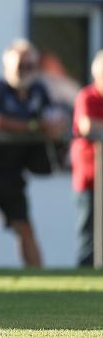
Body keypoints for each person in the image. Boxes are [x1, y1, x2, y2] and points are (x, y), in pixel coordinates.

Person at [0, 39, 67, 267]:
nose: (25, 71)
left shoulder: (39, 90)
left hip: (12, 170)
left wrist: (56, 126)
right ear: (7, 66)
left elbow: (55, 119)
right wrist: (35, 127)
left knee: (24, 227)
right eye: (20, 66)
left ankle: (40, 283)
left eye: (30, 66)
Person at [69, 49, 103, 267]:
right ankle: (85, 279)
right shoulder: (88, 96)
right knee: (90, 236)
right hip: (91, 179)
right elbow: (89, 127)